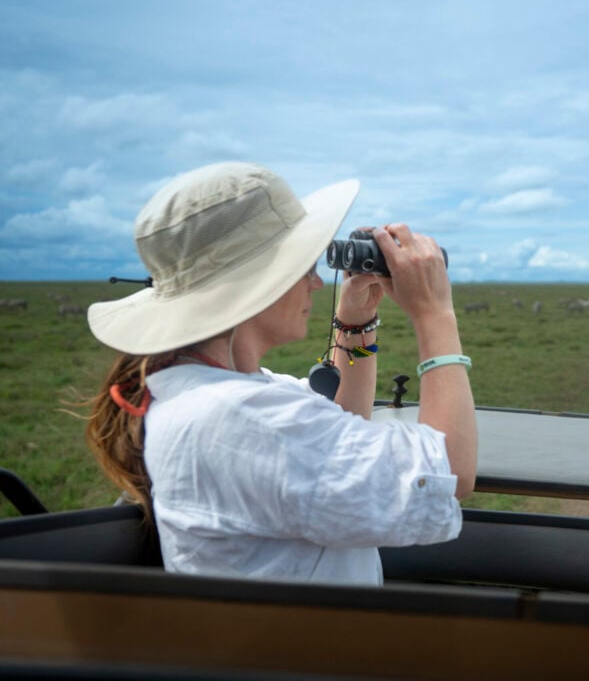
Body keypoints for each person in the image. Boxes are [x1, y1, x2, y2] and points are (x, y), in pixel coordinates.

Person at [85, 162, 477, 586]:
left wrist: (355, 323)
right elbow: (447, 471)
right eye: (303, 266)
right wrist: (435, 315)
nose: (315, 284)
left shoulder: (203, 390)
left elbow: (341, 423)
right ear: (256, 285)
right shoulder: (241, 417)